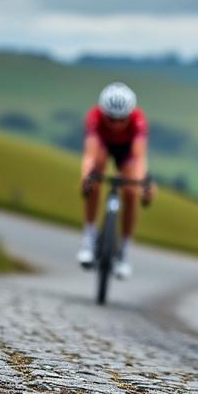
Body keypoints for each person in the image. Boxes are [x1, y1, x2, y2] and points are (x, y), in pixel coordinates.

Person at [78, 82, 155, 278]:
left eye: (122, 119)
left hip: (126, 151)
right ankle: (89, 238)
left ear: (130, 114)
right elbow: (90, 153)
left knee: (130, 192)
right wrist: (86, 175)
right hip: (102, 146)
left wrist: (143, 183)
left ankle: (124, 252)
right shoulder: (94, 117)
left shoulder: (138, 120)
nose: (116, 124)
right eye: (111, 118)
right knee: (95, 175)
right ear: (103, 112)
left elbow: (139, 157)